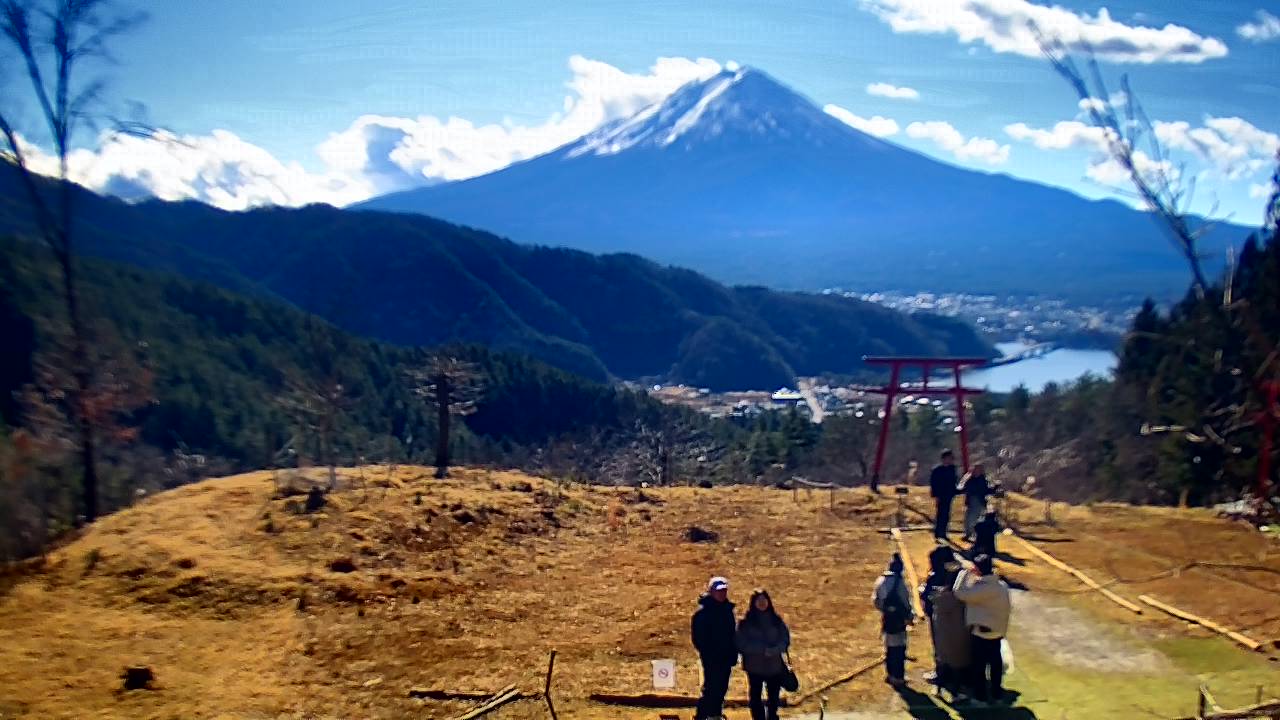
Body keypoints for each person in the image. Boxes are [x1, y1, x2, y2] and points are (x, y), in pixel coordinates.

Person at [953, 554, 1012, 706]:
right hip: (997, 631)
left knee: (979, 667)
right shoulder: (1000, 585)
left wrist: (964, 572)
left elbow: (959, 592)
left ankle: (980, 698)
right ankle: (997, 694)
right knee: (995, 665)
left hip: (982, 633)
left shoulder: (983, 589)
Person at [921, 546, 971, 700]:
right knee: (955, 650)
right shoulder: (960, 574)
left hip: (945, 618)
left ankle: (947, 681)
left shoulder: (942, 576)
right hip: (957, 619)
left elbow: (928, 595)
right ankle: (953, 680)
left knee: (945, 650)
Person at [736, 589, 791, 720]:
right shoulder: (746, 623)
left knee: (773, 696)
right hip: (754, 667)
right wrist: (760, 649)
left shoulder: (776, 620)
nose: (762, 603)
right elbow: (740, 643)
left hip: (774, 666)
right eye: (758, 600)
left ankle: (772, 716)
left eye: (764, 600)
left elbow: (785, 639)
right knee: (755, 696)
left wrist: (775, 649)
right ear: (753, 603)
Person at [692, 576, 738, 720]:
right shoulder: (702, 613)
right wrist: (709, 654)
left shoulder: (728, 611)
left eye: (724, 590)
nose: (722, 593)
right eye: (719, 591)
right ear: (711, 592)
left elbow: (732, 634)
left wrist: (733, 653)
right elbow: (698, 639)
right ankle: (702, 716)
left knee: (722, 688)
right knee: (711, 689)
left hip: (726, 657)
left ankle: (715, 715)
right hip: (711, 658)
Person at [873, 553, 916, 686]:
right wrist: (909, 617)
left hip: (887, 619)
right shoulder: (900, 583)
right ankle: (898, 676)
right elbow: (905, 602)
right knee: (899, 649)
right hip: (898, 620)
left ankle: (890, 674)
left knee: (889, 647)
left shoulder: (881, 580)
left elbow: (876, 601)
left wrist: (886, 610)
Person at [929, 450, 959, 539]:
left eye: (951, 458)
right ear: (944, 459)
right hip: (940, 494)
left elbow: (954, 481)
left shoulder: (952, 469)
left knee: (946, 514)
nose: (950, 460)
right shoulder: (937, 470)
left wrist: (956, 491)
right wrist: (936, 495)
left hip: (949, 494)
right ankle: (938, 532)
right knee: (940, 514)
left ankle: (944, 532)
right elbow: (934, 483)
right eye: (948, 458)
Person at [959, 463, 991, 542]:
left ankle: (976, 536)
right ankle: (968, 534)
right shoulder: (969, 479)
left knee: (975, 519)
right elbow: (962, 487)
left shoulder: (982, 479)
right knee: (968, 519)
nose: (977, 471)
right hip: (971, 501)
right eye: (975, 469)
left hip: (979, 501)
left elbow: (985, 490)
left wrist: (993, 489)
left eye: (979, 469)